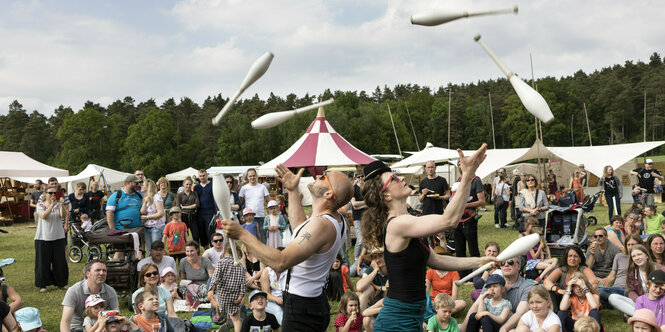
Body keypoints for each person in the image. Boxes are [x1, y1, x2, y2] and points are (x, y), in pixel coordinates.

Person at [361, 145, 497, 331]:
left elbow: (438, 260)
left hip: (411, 318)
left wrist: (480, 261)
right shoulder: (396, 225)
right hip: (396, 322)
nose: (401, 178)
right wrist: (467, 175)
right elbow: (449, 220)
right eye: (393, 178)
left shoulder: (407, 224)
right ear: (386, 195)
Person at [222, 163, 354, 331]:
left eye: (324, 177)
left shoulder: (322, 225)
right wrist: (292, 190)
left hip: (302, 309)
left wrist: (242, 234)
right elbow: (299, 227)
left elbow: (281, 261)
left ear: (328, 194)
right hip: (310, 303)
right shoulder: (334, 219)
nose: (319, 176)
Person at [462, 257, 534, 332]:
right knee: (475, 317)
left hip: (510, 326)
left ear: (518, 266)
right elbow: (477, 304)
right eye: (502, 263)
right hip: (487, 323)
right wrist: (463, 329)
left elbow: (520, 313)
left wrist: (504, 329)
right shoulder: (492, 281)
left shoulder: (527, 287)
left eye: (510, 262)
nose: (506, 265)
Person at [61, 260, 120, 332]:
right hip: (77, 328)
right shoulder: (74, 291)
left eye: (104, 270)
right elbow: (65, 322)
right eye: (97, 270)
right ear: (88, 273)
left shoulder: (110, 291)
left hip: (100, 328)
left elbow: (117, 316)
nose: (102, 273)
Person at [452, 158, 487, 278]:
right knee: (459, 251)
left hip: (469, 221)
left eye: (464, 164)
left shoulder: (476, 180)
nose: (462, 166)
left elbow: (482, 202)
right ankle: (463, 276)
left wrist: (465, 204)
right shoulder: (458, 181)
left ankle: (476, 276)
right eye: (460, 164)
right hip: (457, 220)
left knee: (473, 250)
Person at [608, 244, 665, 315]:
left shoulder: (660, 269)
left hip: (659, 302)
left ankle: (645, 315)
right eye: (634, 256)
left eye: (639, 254)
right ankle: (642, 315)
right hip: (642, 302)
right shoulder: (632, 272)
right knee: (613, 297)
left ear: (647, 255)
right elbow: (631, 291)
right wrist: (639, 301)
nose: (637, 258)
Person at [34, 185, 69, 293]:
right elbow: (43, 216)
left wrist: (61, 205)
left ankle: (61, 282)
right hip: (43, 237)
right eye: (50, 193)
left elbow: (63, 215)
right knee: (43, 262)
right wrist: (52, 205)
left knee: (60, 262)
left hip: (58, 237)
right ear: (45, 194)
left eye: (55, 193)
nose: (53, 195)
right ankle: (42, 284)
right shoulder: (40, 205)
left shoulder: (59, 205)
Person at [208, 242, 246, 331]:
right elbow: (243, 284)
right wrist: (241, 296)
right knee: (236, 319)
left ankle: (220, 316)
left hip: (222, 296)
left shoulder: (221, 262)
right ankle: (229, 323)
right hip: (235, 298)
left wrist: (211, 289)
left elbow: (215, 277)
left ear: (224, 252)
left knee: (218, 302)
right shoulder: (241, 266)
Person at [598, 233, 641, 307]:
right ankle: (615, 302)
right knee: (600, 291)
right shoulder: (619, 256)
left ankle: (611, 303)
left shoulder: (641, 259)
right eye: (628, 245)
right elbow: (612, 276)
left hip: (629, 290)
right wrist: (605, 284)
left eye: (633, 245)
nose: (630, 247)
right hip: (616, 288)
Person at [239, 168, 271, 244]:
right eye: (250, 176)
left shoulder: (262, 187)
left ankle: (263, 256)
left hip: (260, 217)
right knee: (250, 241)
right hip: (249, 219)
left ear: (256, 176)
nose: (252, 177)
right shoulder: (244, 188)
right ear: (247, 177)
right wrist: (241, 215)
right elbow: (239, 203)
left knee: (262, 240)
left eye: (253, 175)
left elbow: (269, 200)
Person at [178, 241, 214, 306]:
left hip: (204, 287)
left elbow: (212, 278)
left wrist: (210, 290)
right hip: (191, 287)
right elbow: (182, 278)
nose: (189, 253)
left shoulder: (206, 261)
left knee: (212, 292)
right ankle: (201, 300)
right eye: (187, 251)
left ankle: (196, 300)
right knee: (181, 285)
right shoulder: (183, 261)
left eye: (192, 251)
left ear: (197, 250)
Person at [356, 247, 389, 311]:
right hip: (373, 300)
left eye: (380, 256)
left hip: (389, 302)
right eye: (375, 257)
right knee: (367, 289)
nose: (377, 260)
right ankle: (359, 318)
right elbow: (359, 287)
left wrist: (378, 287)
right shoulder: (371, 269)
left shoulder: (394, 268)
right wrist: (376, 270)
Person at [260, 252, 286, 325]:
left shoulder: (290, 270)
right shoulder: (267, 271)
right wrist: (276, 299)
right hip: (272, 300)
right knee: (278, 311)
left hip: (287, 300)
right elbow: (266, 294)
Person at [140, 179, 166, 252]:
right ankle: (151, 263)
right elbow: (142, 211)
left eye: (143, 185)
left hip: (156, 227)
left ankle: (158, 263)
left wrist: (147, 217)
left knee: (156, 249)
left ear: (148, 187)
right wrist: (145, 202)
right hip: (147, 227)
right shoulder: (145, 198)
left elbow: (161, 213)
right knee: (149, 250)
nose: (141, 186)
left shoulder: (157, 197)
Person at [193, 169, 215, 249]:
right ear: (198, 177)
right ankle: (207, 252)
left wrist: (215, 212)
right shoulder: (196, 187)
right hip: (199, 214)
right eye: (200, 176)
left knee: (211, 234)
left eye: (204, 175)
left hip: (210, 213)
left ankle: (214, 251)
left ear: (207, 175)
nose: (202, 177)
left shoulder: (212, 185)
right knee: (202, 235)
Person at [351, 170, 368, 264]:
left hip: (367, 216)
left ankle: (364, 257)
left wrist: (360, 205)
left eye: (362, 176)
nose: (361, 178)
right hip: (358, 217)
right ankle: (356, 258)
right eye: (358, 177)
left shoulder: (367, 188)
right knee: (360, 239)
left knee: (366, 238)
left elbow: (372, 202)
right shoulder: (353, 189)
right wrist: (366, 203)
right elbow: (354, 204)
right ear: (355, 179)